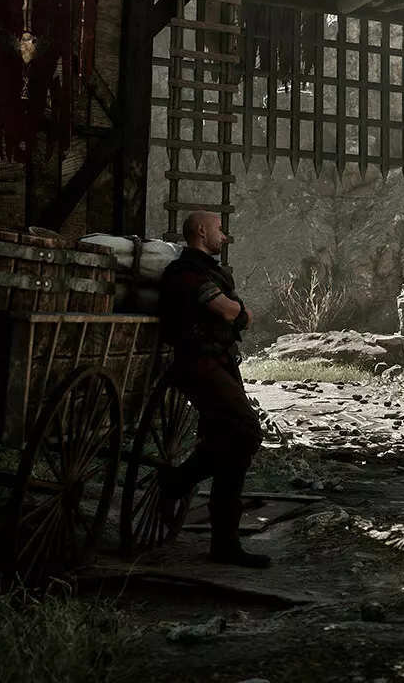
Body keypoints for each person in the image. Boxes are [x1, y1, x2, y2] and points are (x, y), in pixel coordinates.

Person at [156, 211, 269, 568]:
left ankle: (225, 545)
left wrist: (236, 311)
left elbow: (240, 314)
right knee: (247, 432)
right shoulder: (184, 271)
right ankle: (176, 481)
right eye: (219, 229)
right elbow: (229, 311)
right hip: (197, 365)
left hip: (219, 363)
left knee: (234, 448)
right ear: (202, 231)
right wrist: (236, 311)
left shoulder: (209, 271)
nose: (224, 235)